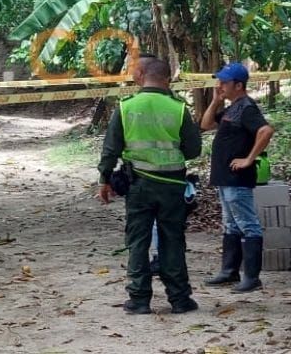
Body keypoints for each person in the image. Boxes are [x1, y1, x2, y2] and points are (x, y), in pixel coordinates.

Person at [97, 55, 202, 315]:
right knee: (173, 241)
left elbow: (110, 149)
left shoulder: (126, 107)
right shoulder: (178, 108)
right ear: (166, 77)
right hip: (172, 186)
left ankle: (139, 299)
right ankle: (179, 299)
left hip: (139, 185)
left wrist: (104, 179)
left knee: (138, 241)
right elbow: (193, 149)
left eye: (133, 69)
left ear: (141, 73)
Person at [202, 63, 276, 293]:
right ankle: (229, 271)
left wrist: (248, 159)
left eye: (224, 82)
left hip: (237, 178)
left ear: (239, 85)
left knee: (247, 224)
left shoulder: (247, 108)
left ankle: (251, 277)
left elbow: (266, 131)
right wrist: (216, 100)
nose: (220, 85)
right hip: (225, 178)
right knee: (231, 224)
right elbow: (205, 125)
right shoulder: (233, 107)